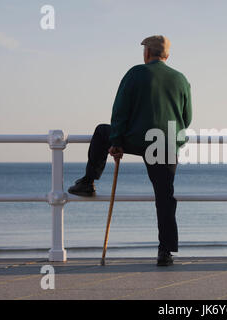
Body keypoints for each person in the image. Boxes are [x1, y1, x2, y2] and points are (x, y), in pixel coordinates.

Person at [68, 35, 192, 266]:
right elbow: (187, 118)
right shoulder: (181, 79)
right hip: (165, 143)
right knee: (164, 197)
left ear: (147, 53)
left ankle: (88, 181)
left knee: (101, 131)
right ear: (167, 55)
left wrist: (115, 141)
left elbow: (120, 110)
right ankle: (165, 252)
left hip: (137, 139)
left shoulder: (136, 73)